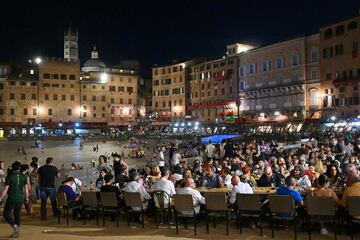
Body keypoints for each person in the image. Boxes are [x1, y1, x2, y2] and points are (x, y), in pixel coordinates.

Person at [0, 161, 29, 238]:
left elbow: (5, 189)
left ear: (12, 168)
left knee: (6, 214)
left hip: (11, 199)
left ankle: (15, 227)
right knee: (17, 214)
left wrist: (0, 198)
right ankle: (16, 231)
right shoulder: (23, 176)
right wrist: (26, 197)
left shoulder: (9, 177)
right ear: (19, 168)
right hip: (20, 199)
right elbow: (26, 188)